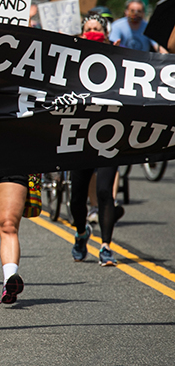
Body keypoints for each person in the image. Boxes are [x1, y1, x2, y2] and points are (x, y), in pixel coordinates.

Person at [70, 13, 121, 267]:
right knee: (76, 198)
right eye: (88, 29)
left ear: (106, 34)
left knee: (104, 192)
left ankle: (106, 246)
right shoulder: (71, 59)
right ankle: (81, 234)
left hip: (109, 133)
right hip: (79, 134)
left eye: (97, 29)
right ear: (81, 34)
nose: (93, 33)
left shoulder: (120, 59)